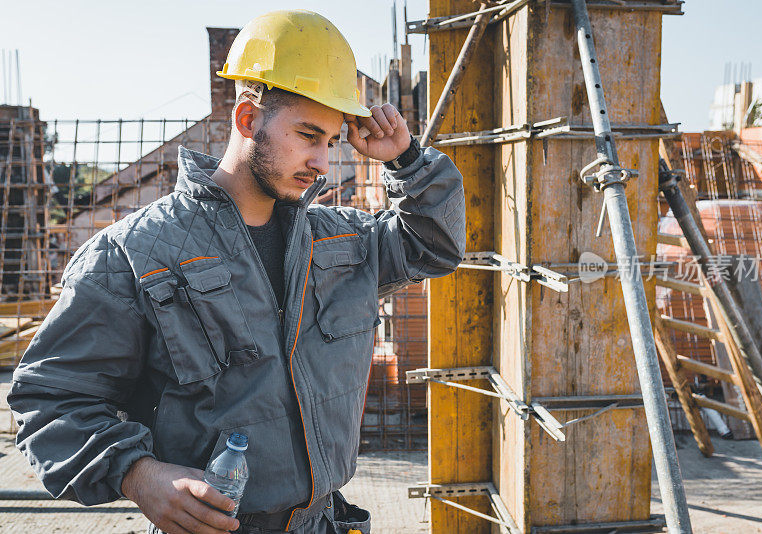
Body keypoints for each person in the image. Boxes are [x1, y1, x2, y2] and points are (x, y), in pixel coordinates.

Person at [7, 9, 465, 534]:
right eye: (307, 134)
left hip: (325, 523)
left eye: (331, 142)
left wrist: (406, 160)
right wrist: (138, 475)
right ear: (247, 120)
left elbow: (433, 245)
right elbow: (48, 399)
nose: (322, 161)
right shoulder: (132, 254)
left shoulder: (340, 242)